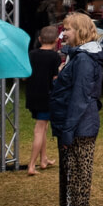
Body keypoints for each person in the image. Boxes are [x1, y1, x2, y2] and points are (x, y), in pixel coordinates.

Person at [48, 12, 103, 206]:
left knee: (79, 178)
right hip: (74, 124)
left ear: (80, 31)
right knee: (70, 174)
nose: (63, 33)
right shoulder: (79, 55)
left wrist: (69, 131)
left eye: (68, 29)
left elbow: (80, 98)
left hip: (79, 127)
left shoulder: (83, 59)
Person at [25, 25, 62, 176]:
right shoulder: (55, 57)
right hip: (46, 96)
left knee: (43, 127)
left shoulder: (31, 54)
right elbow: (55, 78)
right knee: (40, 129)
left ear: (39, 39)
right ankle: (32, 165)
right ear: (56, 40)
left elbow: (26, 74)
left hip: (32, 95)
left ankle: (43, 159)